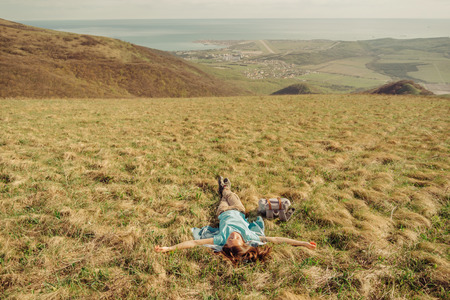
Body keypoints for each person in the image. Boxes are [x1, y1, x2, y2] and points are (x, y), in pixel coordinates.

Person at [154, 176, 316, 264]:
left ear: (226, 244)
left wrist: (170, 248)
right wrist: (303, 243)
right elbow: (276, 239)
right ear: (244, 243)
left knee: (225, 198)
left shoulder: (221, 239)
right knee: (232, 196)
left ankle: (224, 188)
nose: (233, 236)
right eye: (236, 238)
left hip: (223, 212)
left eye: (231, 239)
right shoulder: (251, 238)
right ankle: (225, 188)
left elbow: (194, 243)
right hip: (239, 210)